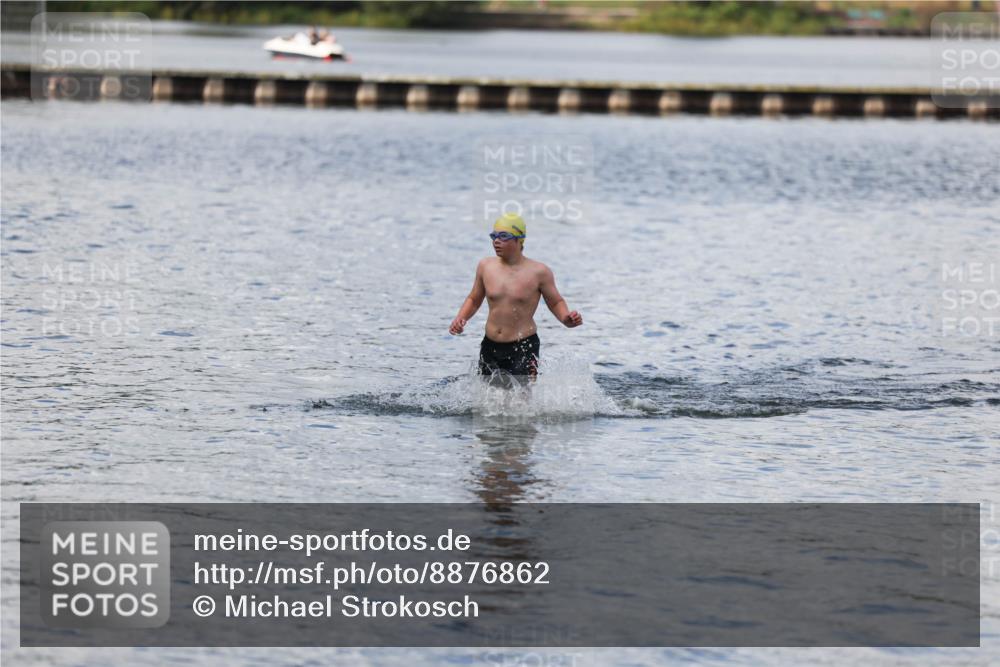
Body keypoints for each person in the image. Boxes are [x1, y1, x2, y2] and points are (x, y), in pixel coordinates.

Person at [449, 213, 583, 382]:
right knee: (488, 401)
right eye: (494, 236)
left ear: (520, 240)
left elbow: (555, 301)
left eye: (503, 236)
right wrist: (461, 319)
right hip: (490, 345)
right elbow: (474, 299)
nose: (496, 241)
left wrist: (566, 318)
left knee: (522, 403)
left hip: (523, 346)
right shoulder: (486, 266)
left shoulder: (539, 272)